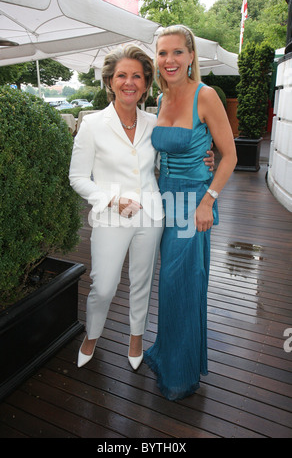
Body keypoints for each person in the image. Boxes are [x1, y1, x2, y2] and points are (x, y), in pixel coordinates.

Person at [69, 44, 214, 371]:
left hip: (152, 213)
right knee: (103, 285)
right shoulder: (92, 125)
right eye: (122, 75)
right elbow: (77, 177)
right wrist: (112, 199)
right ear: (110, 80)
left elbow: (174, 157)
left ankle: (136, 339)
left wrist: (206, 159)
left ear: (147, 83)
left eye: (137, 76)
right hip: (110, 216)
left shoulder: (154, 122)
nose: (129, 82)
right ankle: (91, 336)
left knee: (142, 281)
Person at [144, 25, 237, 400]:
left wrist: (208, 200)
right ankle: (167, 355)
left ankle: (180, 374)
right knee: (168, 285)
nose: (169, 60)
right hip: (162, 199)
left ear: (191, 56)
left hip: (191, 205)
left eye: (177, 52)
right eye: (163, 53)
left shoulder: (206, 95)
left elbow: (228, 155)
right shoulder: (163, 96)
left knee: (181, 282)